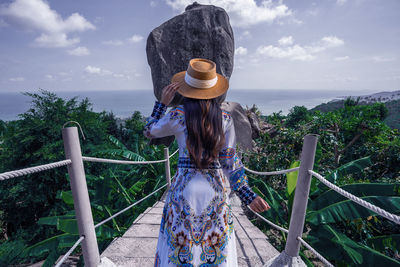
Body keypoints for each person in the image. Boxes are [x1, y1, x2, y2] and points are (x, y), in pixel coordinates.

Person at [143, 58, 270, 267]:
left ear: (186, 88)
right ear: (213, 89)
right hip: (216, 192)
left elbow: (149, 130)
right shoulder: (225, 118)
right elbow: (230, 162)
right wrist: (248, 195)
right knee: (213, 248)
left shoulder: (177, 115)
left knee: (181, 247)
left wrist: (162, 104)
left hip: (184, 191)